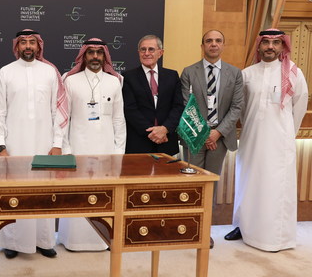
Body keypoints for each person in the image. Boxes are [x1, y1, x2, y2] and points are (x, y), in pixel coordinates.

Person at [225, 29, 308, 252]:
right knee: (248, 181)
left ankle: (275, 236)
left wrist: (287, 132)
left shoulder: (294, 73)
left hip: (279, 140)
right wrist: (253, 126)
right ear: (259, 46)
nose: (270, 46)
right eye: (266, 42)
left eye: (276, 42)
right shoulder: (247, 74)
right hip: (252, 138)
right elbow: (241, 108)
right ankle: (243, 227)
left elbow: (300, 105)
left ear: (282, 46)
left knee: (275, 185)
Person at [0, 29, 68, 259]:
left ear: (38, 46)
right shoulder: (6, 72)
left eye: (32, 42)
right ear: (17, 46)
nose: (28, 46)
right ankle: (12, 242)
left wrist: (57, 143)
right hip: (14, 145)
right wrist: (1, 145)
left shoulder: (49, 72)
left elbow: (57, 112)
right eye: (23, 42)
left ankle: (43, 241)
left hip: (43, 144)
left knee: (42, 191)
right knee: (14, 192)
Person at [58, 38, 125, 251]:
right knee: (78, 194)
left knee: (104, 195)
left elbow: (118, 119)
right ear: (84, 55)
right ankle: (74, 241)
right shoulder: (70, 81)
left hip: (106, 150)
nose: (95, 56)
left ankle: (101, 240)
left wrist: (118, 152)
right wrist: (66, 150)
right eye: (91, 52)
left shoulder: (115, 82)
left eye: (99, 52)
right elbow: (63, 120)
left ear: (105, 56)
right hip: (78, 148)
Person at [180, 30, 243, 249]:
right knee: (192, 184)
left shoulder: (235, 74)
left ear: (223, 45)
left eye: (218, 41)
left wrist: (217, 132)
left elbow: (237, 107)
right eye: (209, 41)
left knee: (210, 186)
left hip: (220, 138)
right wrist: (205, 133)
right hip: (194, 137)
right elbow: (186, 104)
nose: (213, 44)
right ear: (202, 46)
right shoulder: (189, 72)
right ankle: (189, 229)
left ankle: (204, 232)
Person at [122, 35, 184, 155]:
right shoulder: (128, 77)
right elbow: (130, 110)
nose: (146, 53)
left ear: (160, 53)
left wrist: (165, 129)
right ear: (138, 53)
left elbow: (178, 106)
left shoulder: (172, 76)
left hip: (166, 141)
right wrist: (153, 133)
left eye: (151, 49)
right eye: (143, 49)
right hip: (139, 142)